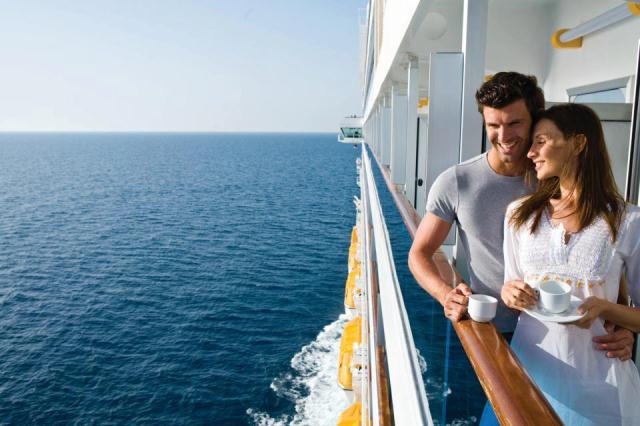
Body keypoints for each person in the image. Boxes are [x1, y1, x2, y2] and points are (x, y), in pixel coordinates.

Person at [408, 72, 634, 355]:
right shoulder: (456, 182)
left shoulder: (560, 175)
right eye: (493, 125)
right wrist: (446, 295)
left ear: (534, 121)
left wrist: (623, 325)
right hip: (490, 327)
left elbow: (607, 259)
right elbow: (420, 253)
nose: (503, 137)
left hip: (569, 336)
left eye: (514, 123)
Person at [501, 103, 640, 424]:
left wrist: (606, 310)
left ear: (578, 143)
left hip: (599, 390)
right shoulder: (519, 215)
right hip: (527, 376)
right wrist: (510, 293)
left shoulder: (628, 221)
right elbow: (511, 286)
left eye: (541, 141)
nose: (531, 153)